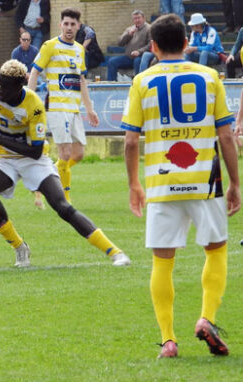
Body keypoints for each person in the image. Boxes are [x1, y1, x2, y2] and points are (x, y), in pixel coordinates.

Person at [122, 14, 240, 358]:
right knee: (215, 249)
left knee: (163, 261)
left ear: (153, 46)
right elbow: (227, 135)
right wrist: (235, 182)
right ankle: (207, 319)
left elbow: (130, 142)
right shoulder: (210, 77)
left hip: (161, 183)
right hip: (205, 181)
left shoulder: (142, 81)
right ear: (188, 43)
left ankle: (169, 339)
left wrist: (133, 184)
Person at [0, 60, 130, 268]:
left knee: (62, 206)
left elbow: (35, 150)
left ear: (19, 86)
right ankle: (20, 247)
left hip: (34, 160)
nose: (0, 91)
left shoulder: (34, 106)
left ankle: (115, 252)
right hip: (4, 159)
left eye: (6, 88)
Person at [29, 7, 99, 203]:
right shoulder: (49, 46)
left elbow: (82, 81)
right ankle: (65, 199)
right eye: (65, 24)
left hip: (74, 109)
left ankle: (47, 175)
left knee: (78, 154)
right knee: (66, 153)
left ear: (78, 26)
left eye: (72, 24)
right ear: (60, 25)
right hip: (57, 107)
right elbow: (34, 72)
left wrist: (90, 109)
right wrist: (30, 98)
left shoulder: (79, 50)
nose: (69, 27)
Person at [107, 10, 153, 82]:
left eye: (139, 18)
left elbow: (150, 44)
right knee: (112, 61)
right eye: (135, 18)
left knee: (137, 61)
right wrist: (128, 34)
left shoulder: (149, 28)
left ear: (143, 18)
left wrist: (139, 51)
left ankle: (138, 83)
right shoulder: (130, 29)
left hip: (141, 57)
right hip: (128, 57)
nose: (137, 20)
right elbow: (120, 43)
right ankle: (111, 83)